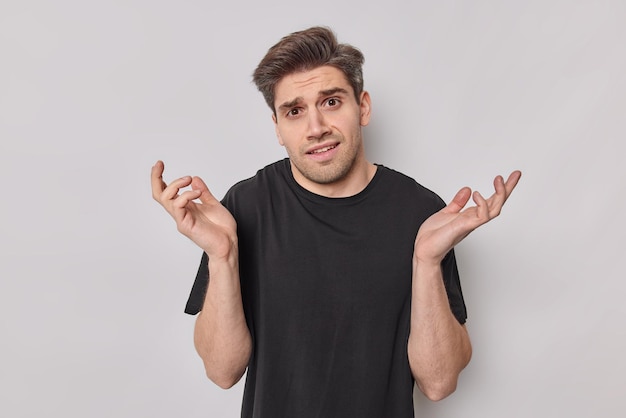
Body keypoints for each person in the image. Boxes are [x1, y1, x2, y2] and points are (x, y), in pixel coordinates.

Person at [151, 26, 521, 418]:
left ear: (362, 107)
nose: (316, 128)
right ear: (277, 127)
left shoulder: (421, 212)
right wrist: (222, 255)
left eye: (330, 102)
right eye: (294, 111)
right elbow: (222, 372)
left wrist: (426, 262)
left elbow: (440, 382)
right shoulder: (245, 207)